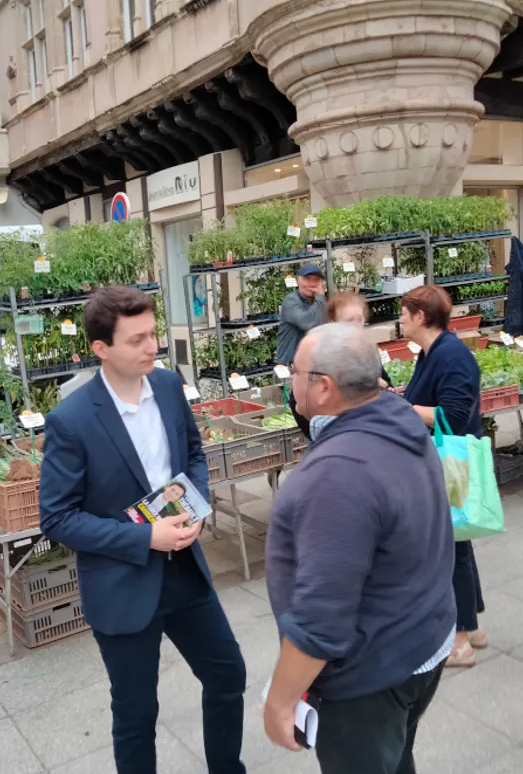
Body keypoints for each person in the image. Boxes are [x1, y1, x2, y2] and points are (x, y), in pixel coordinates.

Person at [40, 286, 247, 774]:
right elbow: (58, 517)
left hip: (185, 574)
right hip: (122, 583)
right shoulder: (71, 421)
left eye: (152, 333)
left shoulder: (171, 388)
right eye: (136, 340)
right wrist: (143, 538)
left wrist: (196, 505)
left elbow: (194, 455)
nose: (152, 346)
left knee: (228, 674)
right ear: (101, 349)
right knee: (136, 712)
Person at [264, 322, 455, 774]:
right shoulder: (397, 416)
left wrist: (281, 699)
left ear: (324, 388)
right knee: (395, 756)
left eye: (295, 372)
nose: (290, 380)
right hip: (420, 640)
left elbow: (321, 615)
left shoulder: (339, 473)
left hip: (371, 675)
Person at [400, 285, 488, 668]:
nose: (399, 319)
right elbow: (429, 398)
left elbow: (450, 415)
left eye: (404, 313)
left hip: (454, 464)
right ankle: (473, 626)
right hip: (444, 462)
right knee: (458, 545)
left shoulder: (453, 356)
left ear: (421, 317)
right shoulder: (432, 353)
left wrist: (401, 408)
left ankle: (462, 640)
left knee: (454, 549)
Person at [290, 291, 390, 439]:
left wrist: (382, 384)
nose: (356, 325)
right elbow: (298, 401)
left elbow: (387, 384)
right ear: (333, 323)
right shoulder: (322, 353)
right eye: (350, 320)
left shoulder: (365, 350)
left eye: (359, 319)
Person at [275, 264, 326, 366]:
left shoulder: (321, 303)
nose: (312, 284)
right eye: (307, 279)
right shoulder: (291, 300)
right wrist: (320, 298)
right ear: (298, 281)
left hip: (314, 367)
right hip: (290, 369)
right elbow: (306, 323)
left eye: (316, 280)